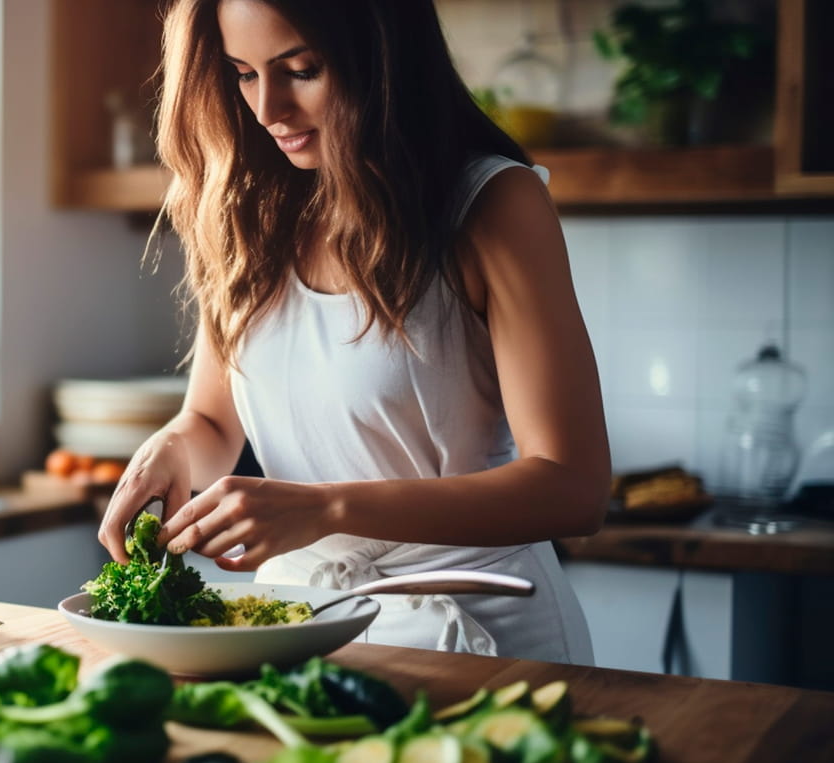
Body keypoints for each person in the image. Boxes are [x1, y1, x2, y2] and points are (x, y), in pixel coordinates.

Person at [98, 0, 609, 664]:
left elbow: (573, 486)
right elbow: (214, 423)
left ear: (383, 57)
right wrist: (169, 449)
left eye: (301, 70)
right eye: (244, 74)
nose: (267, 109)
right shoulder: (246, 211)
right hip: (297, 628)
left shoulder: (492, 204)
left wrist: (328, 507)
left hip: (477, 633)